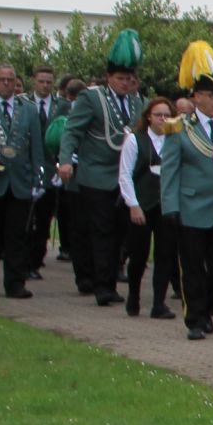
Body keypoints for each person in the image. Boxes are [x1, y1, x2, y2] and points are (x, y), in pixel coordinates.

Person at [57, 29, 145, 305]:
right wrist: (65, 160)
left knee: (120, 232)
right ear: (109, 78)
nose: (125, 83)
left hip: (126, 177)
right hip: (96, 174)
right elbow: (72, 130)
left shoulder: (138, 101)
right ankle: (102, 286)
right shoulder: (91, 97)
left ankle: (109, 279)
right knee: (101, 230)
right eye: (120, 78)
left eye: (129, 79)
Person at [162, 56, 213, 340]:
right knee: (191, 266)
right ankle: (194, 318)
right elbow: (170, 169)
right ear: (197, 96)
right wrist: (170, 205)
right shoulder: (180, 127)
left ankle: (208, 308)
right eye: (212, 95)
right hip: (190, 207)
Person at [0, 61, 43, 297]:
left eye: (11, 79)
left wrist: (38, 178)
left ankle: (15, 283)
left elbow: (36, 145)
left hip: (19, 180)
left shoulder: (27, 109)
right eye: (2, 79)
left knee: (17, 234)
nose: (7, 84)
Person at [116, 94, 177, 317]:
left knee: (165, 254)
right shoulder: (135, 139)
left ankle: (159, 303)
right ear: (149, 117)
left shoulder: (174, 140)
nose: (162, 119)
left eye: (167, 115)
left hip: (166, 205)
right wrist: (133, 204)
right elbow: (125, 175)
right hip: (142, 203)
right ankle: (133, 297)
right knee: (139, 255)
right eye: (158, 115)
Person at [21, 64, 61, 280]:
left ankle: (35, 262)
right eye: (41, 81)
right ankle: (21, 261)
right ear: (33, 81)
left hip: (50, 170)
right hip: (26, 169)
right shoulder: (22, 103)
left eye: (49, 82)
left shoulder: (61, 105)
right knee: (24, 219)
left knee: (44, 220)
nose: (45, 86)